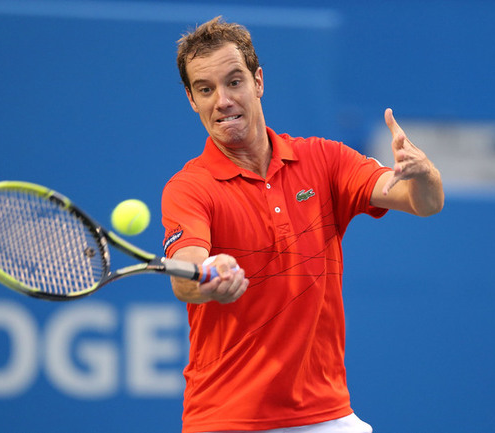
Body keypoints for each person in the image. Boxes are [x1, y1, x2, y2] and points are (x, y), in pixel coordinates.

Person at [161, 16, 444, 433]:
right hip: (228, 418)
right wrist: (209, 276)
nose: (222, 100)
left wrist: (422, 173)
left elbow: (424, 203)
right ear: (191, 99)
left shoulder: (324, 159)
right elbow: (185, 275)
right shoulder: (189, 188)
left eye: (234, 82)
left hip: (327, 413)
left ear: (258, 81)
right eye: (205, 89)